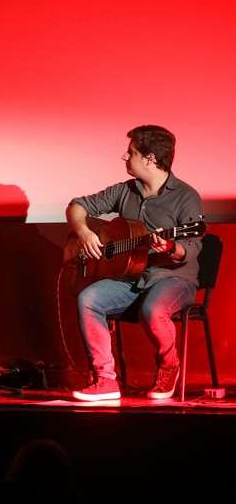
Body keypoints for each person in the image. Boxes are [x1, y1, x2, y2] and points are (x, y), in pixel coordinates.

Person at [67, 125, 203, 401]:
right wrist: (84, 233)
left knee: (154, 309)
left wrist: (171, 247)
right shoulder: (125, 190)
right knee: (88, 298)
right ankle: (105, 379)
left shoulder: (186, 196)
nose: (124, 157)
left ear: (150, 158)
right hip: (131, 278)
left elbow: (193, 245)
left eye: (131, 152)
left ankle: (168, 366)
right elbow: (77, 206)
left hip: (173, 277)